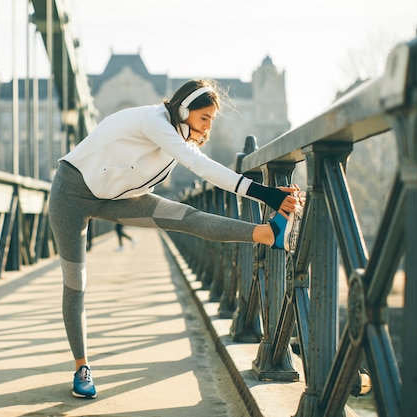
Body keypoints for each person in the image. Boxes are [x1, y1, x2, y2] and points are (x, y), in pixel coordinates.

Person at [48, 79, 303, 399]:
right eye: (204, 118)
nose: (208, 128)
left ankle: (268, 234)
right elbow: (200, 166)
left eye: (211, 120)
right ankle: (82, 366)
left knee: (187, 218)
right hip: (70, 195)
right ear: (184, 110)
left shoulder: (177, 135)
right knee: (76, 283)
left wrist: (266, 198)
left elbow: (195, 162)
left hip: (116, 200)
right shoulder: (154, 122)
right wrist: (265, 194)